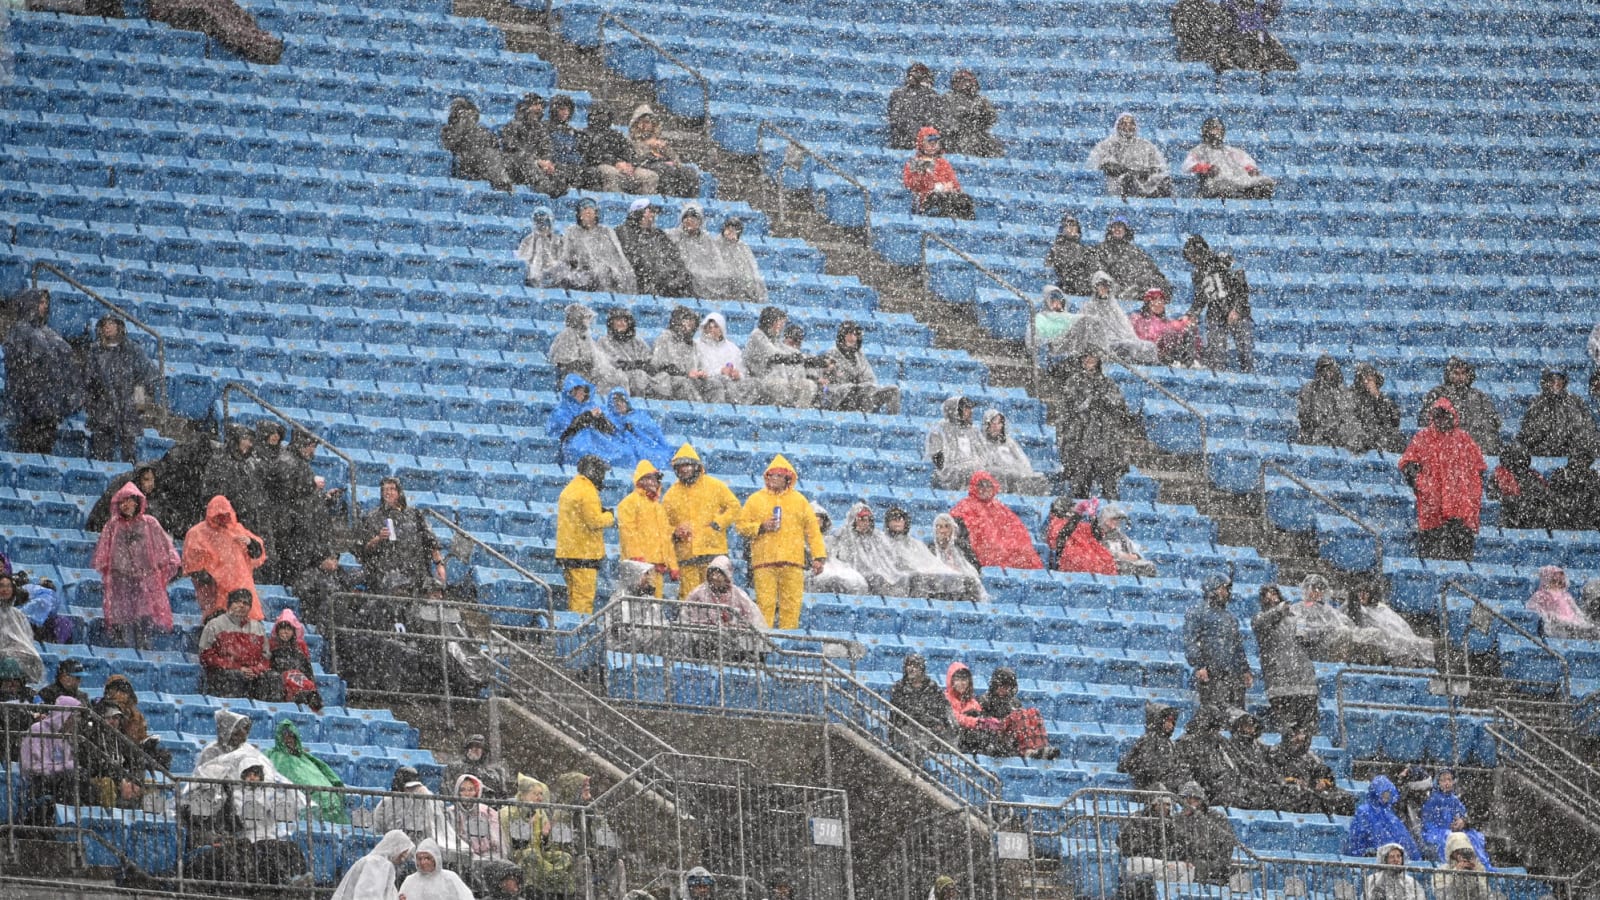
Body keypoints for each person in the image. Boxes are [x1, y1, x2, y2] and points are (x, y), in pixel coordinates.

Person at [736, 455, 827, 630]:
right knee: (765, 604)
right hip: (764, 561)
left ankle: (787, 641)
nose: (774, 479)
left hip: (792, 562)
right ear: (766, 477)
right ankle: (764, 644)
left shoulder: (799, 501)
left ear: (787, 478)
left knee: (791, 605)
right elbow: (741, 525)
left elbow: (813, 531)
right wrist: (761, 527)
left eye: (779, 476)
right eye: (772, 475)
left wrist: (819, 556)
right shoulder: (755, 499)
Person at [92, 481, 181, 650]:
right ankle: (126, 654)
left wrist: (160, 567)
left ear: (137, 502)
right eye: (123, 501)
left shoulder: (150, 523)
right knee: (123, 623)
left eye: (130, 500)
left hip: (144, 581)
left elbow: (164, 549)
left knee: (144, 620)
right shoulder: (112, 525)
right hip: (121, 582)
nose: (126, 505)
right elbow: (103, 555)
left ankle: (143, 652)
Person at [1400, 399, 1487, 561]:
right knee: (1432, 559)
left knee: (1459, 561)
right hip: (1433, 510)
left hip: (1460, 511)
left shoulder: (1464, 440)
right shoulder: (1423, 437)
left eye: (1445, 415)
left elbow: (1478, 469)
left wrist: (1469, 495)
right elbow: (1408, 466)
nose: (1442, 419)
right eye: (1438, 415)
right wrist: (1424, 486)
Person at [3, 288, 80, 454]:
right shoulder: (20, 330)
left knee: (44, 452)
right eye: (41, 302)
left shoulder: (49, 333)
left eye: (46, 302)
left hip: (49, 407)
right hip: (30, 407)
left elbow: (67, 363)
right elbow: (17, 365)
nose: (45, 306)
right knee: (29, 451)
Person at [1055, 349, 1139, 499]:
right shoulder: (1074, 381)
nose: (1089, 360)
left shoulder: (1107, 382)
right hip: (1081, 440)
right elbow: (1070, 407)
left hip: (1105, 442)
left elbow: (1119, 405)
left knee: (1109, 486)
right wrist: (1089, 402)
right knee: (1080, 486)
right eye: (1086, 356)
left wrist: (1105, 401)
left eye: (1092, 356)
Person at [662, 444, 742, 598]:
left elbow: (734, 506)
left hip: (713, 552)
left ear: (696, 466)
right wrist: (675, 532)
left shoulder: (715, 486)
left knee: (716, 597)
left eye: (687, 465)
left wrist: (718, 524)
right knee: (690, 597)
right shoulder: (671, 495)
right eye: (680, 466)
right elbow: (662, 524)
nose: (684, 469)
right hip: (687, 555)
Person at [82, 315, 159, 463]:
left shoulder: (132, 350)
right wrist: (93, 404)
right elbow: (88, 381)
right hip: (103, 411)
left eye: (111, 323)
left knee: (129, 456)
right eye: (104, 324)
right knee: (102, 454)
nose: (107, 327)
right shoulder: (95, 351)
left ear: (119, 327)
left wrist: (139, 404)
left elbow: (146, 377)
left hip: (128, 412)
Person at [183, 495, 266, 621]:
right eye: (218, 515)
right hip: (216, 596)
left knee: (244, 629)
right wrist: (213, 579)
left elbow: (257, 553)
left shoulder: (237, 530)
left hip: (241, 591)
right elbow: (193, 565)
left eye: (225, 514)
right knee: (220, 630)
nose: (222, 518)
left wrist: (250, 543)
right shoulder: (198, 533)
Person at [357, 477, 446, 595]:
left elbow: (430, 540)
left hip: (417, 569)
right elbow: (363, 549)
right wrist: (378, 538)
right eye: (385, 490)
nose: (388, 492)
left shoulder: (414, 514)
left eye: (392, 489)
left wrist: (439, 565)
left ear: (399, 492)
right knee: (399, 591)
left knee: (435, 590)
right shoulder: (373, 517)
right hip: (388, 571)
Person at [1252, 584, 1320, 736]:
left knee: (1307, 731)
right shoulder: (1259, 618)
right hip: (1279, 682)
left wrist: (1310, 634)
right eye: (1267, 594)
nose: (1272, 597)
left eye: (1274, 593)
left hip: (1304, 681)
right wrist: (1278, 610)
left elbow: (1314, 641)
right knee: (1287, 732)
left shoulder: (1296, 619)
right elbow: (1262, 623)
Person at [1050, 271, 1159, 364]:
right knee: (1129, 347)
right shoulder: (1089, 307)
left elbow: (1127, 329)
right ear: (1095, 287)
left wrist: (1132, 340)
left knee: (1149, 347)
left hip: (1121, 341)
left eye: (1106, 286)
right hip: (1105, 344)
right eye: (1100, 286)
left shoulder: (1115, 307)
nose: (1103, 289)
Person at [1181, 235, 1254, 373]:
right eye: (1190, 258)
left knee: (1245, 350)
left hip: (1236, 309)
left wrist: (1237, 309)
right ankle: (1219, 379)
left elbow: (1242, 285)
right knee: (1216, 353)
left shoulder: (1222, 259)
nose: (1193, 260)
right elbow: (1200, 298)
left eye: (1193, 256)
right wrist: (1192, 313)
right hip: (1215, 313)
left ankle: (1249, 377)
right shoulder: (1197, 273)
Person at [949, 472, 1044, 570]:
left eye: (988, 485)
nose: (985, 489)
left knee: (1024, 553)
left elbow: (1016, 530)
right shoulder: (965, 506)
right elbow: (966, 531)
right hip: (982, 550)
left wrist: (1010, 545)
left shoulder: (999, 508)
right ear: (974, 486)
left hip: (1002, 548)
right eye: (981, 485)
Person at [556, 455, 614, 615]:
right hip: (584, 554)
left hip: (568, 552)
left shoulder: (571, 488)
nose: (603, 477)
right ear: (593, 472)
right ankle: (578, 635)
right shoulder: (588, 491)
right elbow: (594, 522)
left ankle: (571, 633)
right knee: (583, 601)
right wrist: (609, 516)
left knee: (574, 598)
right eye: (601, 472)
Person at [1183, 574, 1251, 711]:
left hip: (1232, 674)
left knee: (1236, 714)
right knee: (1214, 712)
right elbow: (1191, 641)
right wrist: (1199, 665)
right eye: (1222, 588)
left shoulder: (1230, 618)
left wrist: (1245, 669)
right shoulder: (1197, 612)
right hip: (1210, 672)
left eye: (1227, 589)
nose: (1226, 593)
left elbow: (1237, 646)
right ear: (1212, 589)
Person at [615, 460, 678, 599]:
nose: (653, 483)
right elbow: (628, 532)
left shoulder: (658, 508)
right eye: (648, 478)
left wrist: (673, 565)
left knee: (655, 605)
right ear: (640, 480)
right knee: (636, 603)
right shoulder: (628, 503)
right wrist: (637, 557)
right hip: (638, 568)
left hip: (657, 568)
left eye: (655, 479)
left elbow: (666, 538)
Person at [198, 589, 278, 699]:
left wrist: (255, 670)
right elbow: (206, 656)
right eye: (237, 602)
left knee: (273, 677)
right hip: (225, 673)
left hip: (252, 674)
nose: (241, 606)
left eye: (245, 603)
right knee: (234, 676)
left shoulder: (257, 628)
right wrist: (236, 667)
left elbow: (265, 657)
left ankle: (266, 712)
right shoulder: (215, 625)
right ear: (229, 604)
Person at [264, 719, 347, 824]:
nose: (288, 739)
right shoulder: (275, 756)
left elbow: (327, 773)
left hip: (326, 796)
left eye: (291, 736)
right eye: (285, 736)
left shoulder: (306, 757)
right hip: (305, 798)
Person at [1343, 576, 1435, 667]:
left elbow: (1398, 624)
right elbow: (1346, 619)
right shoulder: (1354, 608)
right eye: (1360, 592)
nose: (1362, 596)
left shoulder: (1381, 608)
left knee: (1420, 643)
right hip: (1375, 640)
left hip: (1394, 638)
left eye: (1366, 593)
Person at [1416, 358, 1502, 454]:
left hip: (1475, 444)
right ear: (1449, 375)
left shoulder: (1479, 396)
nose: (1460, 377)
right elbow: (1425, 419)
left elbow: (1495, 420)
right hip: (1447, 445)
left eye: (1463, 373)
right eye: (1456, 373)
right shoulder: (1437, 393)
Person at [1267, 725, 1355, 815]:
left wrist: (1322, 782)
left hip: (1309, 790)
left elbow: (1323, 772)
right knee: (1307, 797)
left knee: (1344, 798)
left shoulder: (1309, 757)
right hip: (1286, 793)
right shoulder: (1274, 754)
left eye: (1302, 738)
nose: (1299, 740)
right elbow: (1272, 777)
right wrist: (1292, 781)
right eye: (1296, 737)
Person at [616, 199, 694, 298]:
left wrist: (677, 272)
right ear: (639, 212)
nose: (654, 214)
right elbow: (636, 260)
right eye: (651, 210)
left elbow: (674, 255)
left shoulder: (659, 234)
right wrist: (660, 273)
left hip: (663, 279)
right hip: (644, 281)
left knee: (685, 277)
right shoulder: (624, 232)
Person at [820, 321, 900, 414]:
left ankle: (892, 424)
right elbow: (827, 387)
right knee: (860, 395)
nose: (853, 338)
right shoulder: (831, 355)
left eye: (855, 334)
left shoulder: (859, 355)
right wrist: (851, 388)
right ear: (842, 336)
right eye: (849, 334)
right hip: (842, 400)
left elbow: (871, 379)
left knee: (893, 390)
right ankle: (863, 425)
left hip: (863, 394)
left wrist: (862, 387)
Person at [1182, 117, 1275, 199]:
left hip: (1239, 181)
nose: (1216, 132)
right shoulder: (1199, 150)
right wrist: (1207, 168)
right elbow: (1187, 165)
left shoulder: (1230, 151)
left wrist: (1251, 169)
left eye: (1219, 129)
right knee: (1224, 185)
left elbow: (1247, 161)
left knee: (1266, 182)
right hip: (1215, 184)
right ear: (1206, 131)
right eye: (1213, 129)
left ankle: (1247, 197)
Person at [744, 307, 818, 408]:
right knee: (780, 385)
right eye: (780, 323)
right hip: (759, 380)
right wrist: (793, 358)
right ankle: (781, 413)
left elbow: (788, 350)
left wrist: (808, 359)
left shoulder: (775, 338)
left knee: (809, 385)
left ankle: (799, 413)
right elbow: (775, 355)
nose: (782, 326)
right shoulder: (757, 335)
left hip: (779, 380)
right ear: (771, 322)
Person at [978, 667, 1059, 759]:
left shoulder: (1014, 702)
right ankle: (1028, 751)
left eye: (1006, 686)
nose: (1002, 689)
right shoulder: (984, 700)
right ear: (994, 685)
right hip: (994, 737)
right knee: (1019, 714)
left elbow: (1023, 725)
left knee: (1034, 713)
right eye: (999, 685)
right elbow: (983, 724)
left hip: (1012, 738)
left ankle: (1040, 749)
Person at [201, 423, 266, 537]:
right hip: (226, 525)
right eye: (245, 439)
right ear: (235, 440)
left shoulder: (249, 464)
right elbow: (214, 494)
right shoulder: (220, 462)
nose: (249, 444)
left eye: (251, 441)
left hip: (246, 524)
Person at [546, 373, 624, 468]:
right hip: (575, 445)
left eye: (584, 391)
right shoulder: (561, 410)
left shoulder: (590, 405)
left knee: (621, 451)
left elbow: (610, 430)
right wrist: (588, 416)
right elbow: (566, 431)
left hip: (597, 443)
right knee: (583, 452)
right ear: (572, 390)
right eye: (581, 391)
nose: (584, 394)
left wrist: (600, 418)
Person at [375, 768, 460, 854]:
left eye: (415, 788)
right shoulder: (387, 802)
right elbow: (379, 825)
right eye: (409, 788)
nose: (412, 791)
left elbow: (436, 822)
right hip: (393, 845)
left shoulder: (426, 799)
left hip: (421, 844)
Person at [561, 199, 637, 294]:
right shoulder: (572, 232)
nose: (588, 211)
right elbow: (566, 258)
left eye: (591, 208)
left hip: (606, 273)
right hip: (582, 274)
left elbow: (619, 257)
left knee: (623, 274)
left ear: (596, 213)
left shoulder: (607, 231)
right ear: (579, 214)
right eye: (584, 208)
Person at [1421, 769, 1493, 869]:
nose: (1447, 783)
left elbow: (1462, 815)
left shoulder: (1455, 799)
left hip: (1456, 831)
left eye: (1449, 780)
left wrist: (1462, 822)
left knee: (1473, 837)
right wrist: (1444, 830)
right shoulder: (1432, 800)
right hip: (1437, 832)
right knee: (1448, 838)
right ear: (1438, 782)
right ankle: (1450, 866)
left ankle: (1481, 866)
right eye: (1443, 780)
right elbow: (1428, 822)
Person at [1089, 113, 1173, 198]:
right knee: (1128, 179)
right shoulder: (1107, 145)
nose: (1127, 127)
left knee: (1165, 180)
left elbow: (1158, 167)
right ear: (1117, 126)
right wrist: (1129, 172)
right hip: (1118, 184)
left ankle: (1149, 195)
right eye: (1124, 123)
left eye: (1131, 123)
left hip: (1143, 182)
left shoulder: (1146, 145)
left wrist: (1145, 172)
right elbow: (1103, 165)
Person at [499, 92, 567, 197]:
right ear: (526, 107)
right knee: (526, 160)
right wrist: (536, 160)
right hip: (513, 165)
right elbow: (512, 147)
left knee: (560, 168)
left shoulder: (540, 129)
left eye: (540, 105)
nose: (539, 108)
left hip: (535, 167)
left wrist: (546, 162)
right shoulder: (512, 126)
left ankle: (561, 193)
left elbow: (547, 148)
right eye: (535, 105)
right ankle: (546, 187)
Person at [1518, 370, 1597, 458]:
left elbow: (1586, 428)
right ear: (1546, 382)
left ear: (1564, 381)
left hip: (1571, 452)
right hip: (1542, 452)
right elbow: (1529, 432)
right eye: (1552, 380)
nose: (1557, 383)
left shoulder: (1575, 401)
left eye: (1560, 379)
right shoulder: (1537, 403)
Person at [628, 104, 701, 197]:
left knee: (689, 171)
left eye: (647, 122)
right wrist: (649, 148)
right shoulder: (631, 141)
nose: (644, 126)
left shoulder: (659, 141)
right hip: (645, 166)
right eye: (641, 122)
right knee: (664, 169)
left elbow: (677, 162)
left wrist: (665, 149)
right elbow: (636, 160)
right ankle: (669, 199)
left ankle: (688, 200)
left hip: (664, 165)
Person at [581, 105, 657, 194]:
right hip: (602, 165)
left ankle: (644, 204)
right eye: (599, 116)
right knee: (611, 173)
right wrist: (615, 162)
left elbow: (629, 151)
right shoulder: (586, 134)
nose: (602, 119)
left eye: (605, 116)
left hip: (624, 165)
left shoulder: (616, 135)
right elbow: (593, 155)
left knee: (651, 176)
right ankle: (615, 203)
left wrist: (630, 164)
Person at [1173, 781, 1237, 885]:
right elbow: (1177, 846)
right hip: (1189, 867)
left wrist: (1217, 864)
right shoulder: (1178, 819)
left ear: (1200, 801)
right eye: (1184, 800)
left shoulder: (1217, 818)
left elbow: (1227, 844)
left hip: (1214, 866)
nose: (1186, 803)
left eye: (1190, 801)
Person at [1118, 702, 1193, 791]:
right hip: (1150, 788)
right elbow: (1149, 767)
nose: (1170, 725)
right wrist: (1170, 773)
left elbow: (1177, 764)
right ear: (1158, 720)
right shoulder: (1149, 739)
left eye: (1172, 722)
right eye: (1167, 721)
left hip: (1167, 786)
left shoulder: (1171, 743)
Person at [440, 97, 511, 191]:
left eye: (470, 116)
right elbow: (450, 145)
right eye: (465, 116)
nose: (469, 119)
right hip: (467, 162)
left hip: (484, 162)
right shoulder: (449, 130)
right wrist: (462, 130)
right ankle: (501, 181)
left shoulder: (482, 130)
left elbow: (494, 143)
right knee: (490, 155)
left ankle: (503, 180)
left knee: (500, 156)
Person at [903, 127, 974, 219]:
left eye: (935, 142)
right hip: (928, 199)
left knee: (965, 200)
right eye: (929, 142)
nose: (933, 146)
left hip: (947, 197)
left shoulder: (944, 163)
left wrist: (950, 187)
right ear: (922, 144)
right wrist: (927, 178)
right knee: (940, 199)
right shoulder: (915, 163)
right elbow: (911, 184)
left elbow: (955, 184)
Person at [652, 306, 719, 402]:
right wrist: (685, 374)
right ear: (678, 321)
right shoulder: (665, 338)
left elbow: (699, 365)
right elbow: (660, 366)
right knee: (685, 383)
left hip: (691, 379)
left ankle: (716, 412)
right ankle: (699, 410)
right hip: (669, 380)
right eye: (686, 320)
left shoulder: (693, 344)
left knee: (715, 385)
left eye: (692, 321)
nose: (689, 324)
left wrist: (701, 373)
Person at [1345, 776, 1422, 859]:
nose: (1386, 797)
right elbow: (1358, 838)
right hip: (1371, 856)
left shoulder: (1389, 814)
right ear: (1375, 793)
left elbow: (1404, 838)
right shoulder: (1364, 811)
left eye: (1388, 795)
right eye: (1384, 794)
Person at [1094, 219, 1171, 301]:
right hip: (1114, 289)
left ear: (1126, 231)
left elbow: (1151, 270)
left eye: (1120, 227)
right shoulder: (1101, 249)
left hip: (1135, 288)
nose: (1117, 229)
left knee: (1157, 280)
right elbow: (1099, 270)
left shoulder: (1136, 251)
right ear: (1110, 230)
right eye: (1114, 227)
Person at [976, 410, 1048, 494]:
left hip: (1016, 475)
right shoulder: (981, 442)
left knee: (1039, 478)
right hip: (997, 477)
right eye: (993, 423)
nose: (996, 427)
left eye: (999, 423)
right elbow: (981, 466)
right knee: (1005, 474)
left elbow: (1023, 461)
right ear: (987, 425)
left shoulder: (1009, 442)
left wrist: (1025, 473)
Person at [329, 830, 413, 900]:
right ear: (396, 848)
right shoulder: (378, 863)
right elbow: (368, 895)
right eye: (403, 853)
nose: (403, 859)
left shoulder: (375, 861)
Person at [1217, 0, 1297, 73]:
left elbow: (1274, 7)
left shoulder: (1261, 11)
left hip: (1258, 44)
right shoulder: (1230, 8)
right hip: (1238, 45)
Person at [942, 662, 1005, 756]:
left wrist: (988, 722)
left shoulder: (973, 702)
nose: (961, 683)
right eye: (957, 679)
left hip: (970, 740)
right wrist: (978, 722)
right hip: (952, 736)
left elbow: (979, 720)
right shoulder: (944, 698)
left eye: (964, 679)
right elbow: (954, 717)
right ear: (951, 681)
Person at [1296, 356, 1359, 449]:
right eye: (1325, 370)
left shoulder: (1343, 391)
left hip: (1339, 437)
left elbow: (1348, 414)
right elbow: (1306, 417)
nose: (1329, 374)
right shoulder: (1309, 390)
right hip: (1315, 437)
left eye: (1331, 370)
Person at [606, 388, 675, 470]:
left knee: (659, 455)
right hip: (626, 447)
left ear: (627, 402)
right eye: (616, 403)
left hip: (646, 445)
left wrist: (634, 428)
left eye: (622, 401)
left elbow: (654, 431)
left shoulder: (639, 415)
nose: (619, 404)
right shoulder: (609, 418)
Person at [667, 202, 724, 299]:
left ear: (700, 221)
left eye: (693, 218)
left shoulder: (708, 241)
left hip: (705, 287)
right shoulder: (672, 236)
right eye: (686, 217)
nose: (689, 220)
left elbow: (718, 265)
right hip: (680, 286)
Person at [927, 396, 986, 490]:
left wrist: (977, 464)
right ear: (955, 411)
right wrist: (957, 464)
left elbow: (983, 453)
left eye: (970, 409)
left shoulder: (974, 430)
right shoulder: (940, 429)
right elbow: (938, 459)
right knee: (970, 469)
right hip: (950, 472)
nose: (970, 412)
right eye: (966, 409)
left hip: (974, 469)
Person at [940, 69, 1002, 157]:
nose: (963, 84)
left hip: (975, 133)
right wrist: (961, 121)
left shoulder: (981, 100)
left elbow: (991, 118)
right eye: (959, 81)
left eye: (966, 81)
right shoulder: (947, 98)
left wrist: (976, 119)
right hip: (954, 135)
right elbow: (944, 119)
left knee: (992, 147)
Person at [267, 610, 322, 711]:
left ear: (293, 631)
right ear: (278, 630)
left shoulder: (300, 648)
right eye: (283, 629)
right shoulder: (271, 646)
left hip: (298, 680)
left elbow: (307, 669)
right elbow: (268, 667)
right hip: (279, 683)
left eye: (289, 629)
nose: (285, 632)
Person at [1490, 443, 1553, 530]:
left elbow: (1543, 496)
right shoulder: (1499, 476)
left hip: (1530, 519)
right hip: (1510, 518)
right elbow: (1492, 496)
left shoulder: (1533, 476)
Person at [1049, 497, 1118, 576]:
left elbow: (1097, 535)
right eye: (1071, 509)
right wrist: (1078, 514)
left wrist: (1093, 517)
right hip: (1075, 562)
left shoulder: (1079, 525)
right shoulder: (1056, 524)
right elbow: (1061, 538)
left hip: (1090, 561)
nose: (1073, 511)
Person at [695, 312, 754, 403]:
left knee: (753, 384)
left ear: (721, 329)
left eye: (716, 327)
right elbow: (699, 370)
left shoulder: (732, 348)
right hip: (709, 384)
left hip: (732, 384)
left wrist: (738, 375)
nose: (712, 330)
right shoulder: (697, 345)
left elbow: (742, 371)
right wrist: (720, 371)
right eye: (709, 327)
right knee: (723, 381)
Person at [1131, 288, 1199, 368]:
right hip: (1148, 356)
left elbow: (1171, 326)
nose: (1159, 303)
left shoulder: (1164, 321)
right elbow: (1151, 336)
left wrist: (1187, 322)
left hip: (1164, 355)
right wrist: (1183, 323)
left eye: (1161, 300)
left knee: (1189, 332)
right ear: (1148, 303)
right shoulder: (1138, 319)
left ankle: (1190, 363)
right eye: (1154, 300)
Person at [1527, 565, 1599, 639]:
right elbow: (1532, 607)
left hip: (1572, 621)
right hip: (1558, 623)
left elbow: (1576, 609)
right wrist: (1547, 615)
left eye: (1560, 579)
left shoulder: (1565, 595)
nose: (1558, 581)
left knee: (1590, 630)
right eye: (1554, 579)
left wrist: (1583, 621)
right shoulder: (1541, 594)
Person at [927, 513, 986, 601]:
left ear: (953, 529)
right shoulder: (929, 549)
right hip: (939, 590)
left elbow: (975, 569)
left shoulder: (962, 548)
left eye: (947, 526)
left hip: (963, 590)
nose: (943, 531)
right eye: (939, 527)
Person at [1349, 363, 1406, 454]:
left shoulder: (1383, 400)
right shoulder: (1352, 397)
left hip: (1382, 438)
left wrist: (1376, 397)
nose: (1366, 382)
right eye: (1364, 379)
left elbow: (1394, 421)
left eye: (1370, 379)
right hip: (1364, 438)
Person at [516, 207, 579, 289]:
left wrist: (551, 269)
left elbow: (564, 263)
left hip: (556, 282)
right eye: (539, 222)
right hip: (533, 281)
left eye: (545, 222)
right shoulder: (527, 241)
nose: (542, 226)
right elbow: (523, 262)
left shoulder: (559, 241)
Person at [889, 654, 950, 738]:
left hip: (931, 730)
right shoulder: (899, 687)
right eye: (909, 665)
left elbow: (943, 708)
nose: (911, 669)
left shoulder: (932, 686)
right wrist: (931, 721)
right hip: (906, 729)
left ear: (922, 669)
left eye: (915, 666)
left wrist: (942, 723)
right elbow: (904, 713)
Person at [887, 62, 943, 150]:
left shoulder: (932, 96)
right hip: (902, 141)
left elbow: (932, 121)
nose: (911, 77)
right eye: (911, 74)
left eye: (916, 74)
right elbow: (895, 118)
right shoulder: (898, 94)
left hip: (922, 142)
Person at [711, 216, 768, 302]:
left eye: (734, 230)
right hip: (721, 290)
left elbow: (752, 270)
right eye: (729, 229)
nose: (731, 232)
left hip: (741, 290)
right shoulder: (714, 245)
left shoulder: (743, 248)